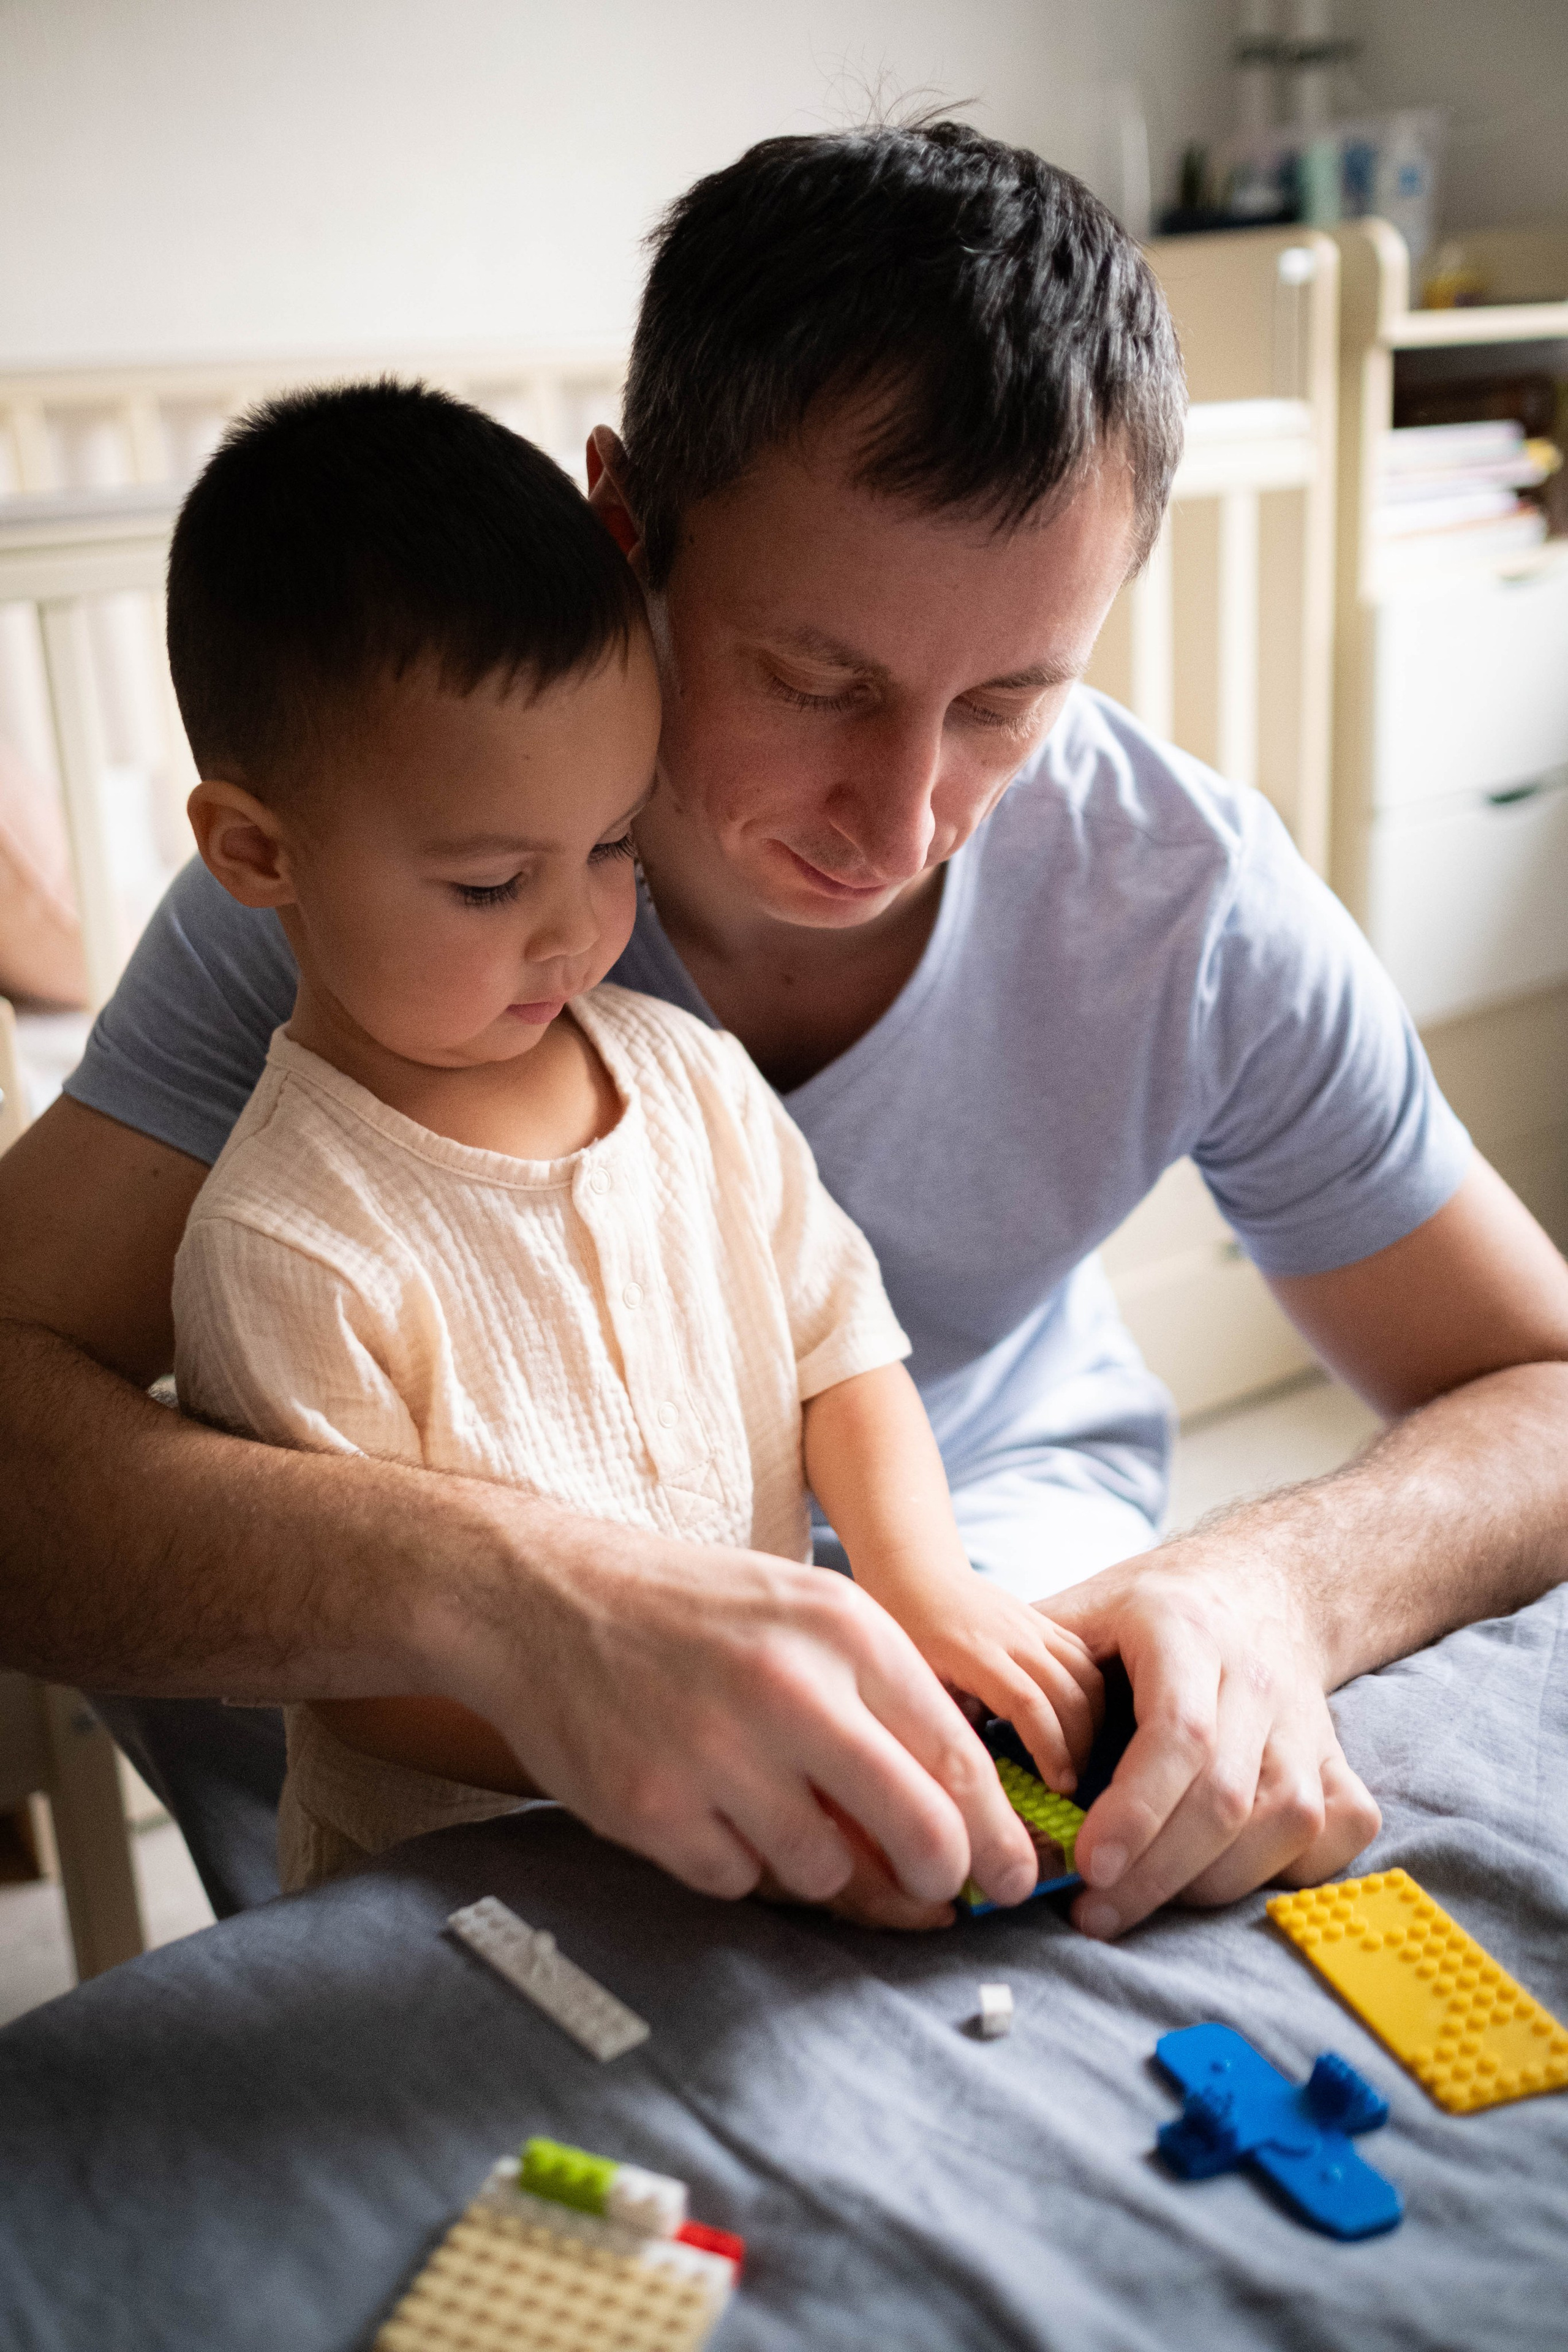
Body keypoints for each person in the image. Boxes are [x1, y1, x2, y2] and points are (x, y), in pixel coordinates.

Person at [3, 122, 1567, 1939]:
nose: (898, 824)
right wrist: (520, 1604)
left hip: (978, 1524)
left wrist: (1282, 1585)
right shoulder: (360, 907)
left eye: (1007, 701)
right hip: (442, 1642)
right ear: (622, 529)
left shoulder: (1192, 900)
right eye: (816, 682)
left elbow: (1538, 1387)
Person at [165, 380, 1100, 1896]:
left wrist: (921, 1585)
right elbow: (351, 1660)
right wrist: (650, 1740)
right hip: (465, 1876)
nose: (576, 930)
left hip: (740, 1820)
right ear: (258, 853)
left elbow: (840, 1352)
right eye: (485, 886)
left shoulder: (686, 1078)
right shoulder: (288, 1240)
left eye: (611, 846)